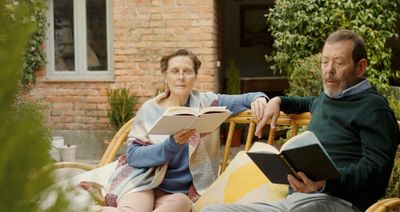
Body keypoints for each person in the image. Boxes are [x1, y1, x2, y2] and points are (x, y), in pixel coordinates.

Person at [201, 29, 399, 212]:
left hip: (338, 202)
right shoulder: (328, 98)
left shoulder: (375, 109)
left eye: (338, 63)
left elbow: (375, 172)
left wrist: (325, 183)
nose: (328, 70)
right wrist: (278, 100)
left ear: (360, 67)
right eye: (325, 62)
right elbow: (308, 102)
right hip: (296, 200)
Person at [87, 49, 269, 211]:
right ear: (166, 76)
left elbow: (245, 99)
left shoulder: (208, 102)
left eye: (187, 71)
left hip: (180, 193)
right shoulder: (150, 109)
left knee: (182, 203)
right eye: (175, 71)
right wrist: (171, 145)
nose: (181, 76)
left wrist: (260, 98)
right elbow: (134, 156)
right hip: (144, 182)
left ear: (195, 76)